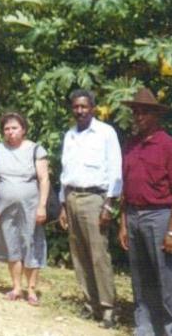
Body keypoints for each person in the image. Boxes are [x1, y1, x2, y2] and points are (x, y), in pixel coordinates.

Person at [117, 88, 172, 336]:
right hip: (134, 215)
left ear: (156, 115)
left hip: (160, 216)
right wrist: (123, 224)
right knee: (141, 278)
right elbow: (126, 186)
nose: (138, 116)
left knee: (168, 280)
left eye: (144, 112)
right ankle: (145, 328)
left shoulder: (168, 145)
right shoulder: (131, 145)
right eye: (135, 112)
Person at [59, 89, 122, 329]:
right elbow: (65, 173)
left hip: (95, 198)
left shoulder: (106, 133)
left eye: (84, 107)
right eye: (76, 107)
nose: (80, 111)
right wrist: (63, 205)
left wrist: (109, 204)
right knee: (79, 253)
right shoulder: (70, 135)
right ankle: (90, 303)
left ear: (93, 108)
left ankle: (108, 308)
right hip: (72, 196)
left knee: (98, 254)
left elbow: (115, 170)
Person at [0, 112, 50, 305]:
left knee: (31, 243)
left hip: (30, 206)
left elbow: (44, 179)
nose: (10, 132)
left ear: (23, 130)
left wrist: (42, 207)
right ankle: (16, 287)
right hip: (4, 207)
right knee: (11, 244)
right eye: (7, 128)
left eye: (14, 128)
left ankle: (31, 290)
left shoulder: (36, 150)